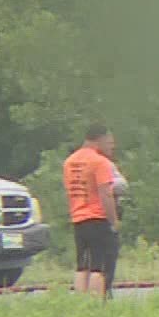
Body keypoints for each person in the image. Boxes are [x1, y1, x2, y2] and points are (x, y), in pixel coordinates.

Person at [62, 124, 118, 298]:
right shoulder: (100, 162)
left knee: (82, 265)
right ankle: (96, 302)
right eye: (109, 141)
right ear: (99, 139)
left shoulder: (69, 162)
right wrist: (113, 220)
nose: (111, 146)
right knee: (98, 266)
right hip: (97, 217)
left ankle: (81, 302)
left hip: (78, 218)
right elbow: (106, 193)